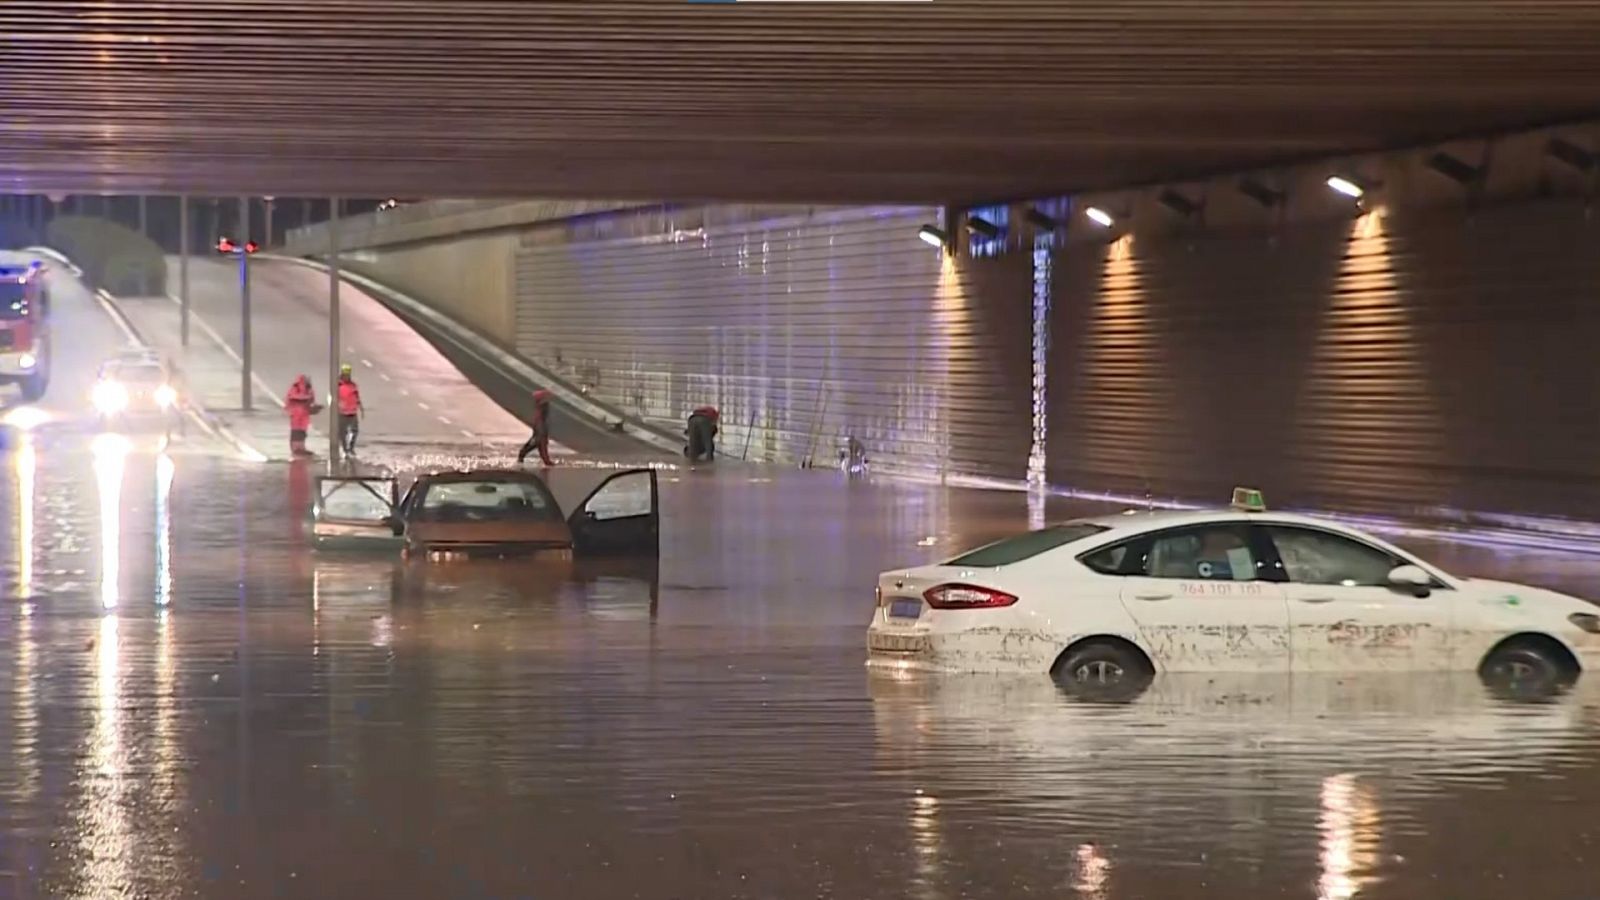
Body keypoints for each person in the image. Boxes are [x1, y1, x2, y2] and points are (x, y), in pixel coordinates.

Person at [517, 389, 555, 466]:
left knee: (523, 452)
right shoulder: (541, 410)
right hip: (540, 433)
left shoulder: (540, 411)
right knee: (542, 454)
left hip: (539, 433)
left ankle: (520, 463)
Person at [284, 375, 318, 457]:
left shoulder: (308, 389)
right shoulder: (296, 388)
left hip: (303, 414)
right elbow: (291, 398)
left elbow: (311, 400)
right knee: (297, 431)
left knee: (301, 431)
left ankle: (300, 447)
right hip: (297, 414)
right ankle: (296, 448)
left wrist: (313, 407)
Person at [337, 364, 364, 456]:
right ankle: (345, 449)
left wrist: (361, 408)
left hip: (352, 412)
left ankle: (351, 448)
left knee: (354, 431)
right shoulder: (337, 385)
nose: (347, 376)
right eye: (345, 374)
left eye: (348, 374)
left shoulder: (353, 385)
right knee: (342, 432)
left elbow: (357, 397)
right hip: (342, 413)